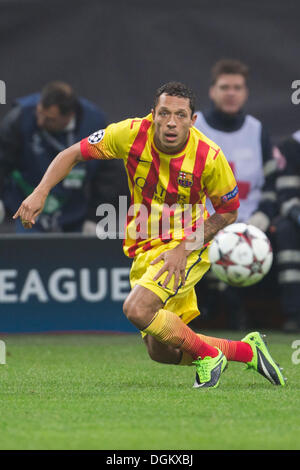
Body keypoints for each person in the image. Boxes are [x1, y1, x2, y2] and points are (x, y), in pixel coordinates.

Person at [13, 81, 286, 388]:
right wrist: (40, 192)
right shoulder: (129, 134)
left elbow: (228, 212)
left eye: (181, 115)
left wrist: (185, 247)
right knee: (162, 351)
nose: (172, 122)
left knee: (137, 308)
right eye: (165, 113)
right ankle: (247, 351)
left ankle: (210, 356)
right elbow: (72, 153)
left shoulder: (209, 156)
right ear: (153, 114)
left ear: (193, 121)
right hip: (145, 246)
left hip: (188, 246)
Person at [194, 59, 277, 329]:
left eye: (237, 87)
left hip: (251, 223)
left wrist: (265, 214)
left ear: (245, 93)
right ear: (212, 91)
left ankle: (272, 314)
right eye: (225, 87)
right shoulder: (196, 129)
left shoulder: (257, 130)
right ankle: (208, 308)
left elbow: (272, 181)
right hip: (203, 221)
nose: (231, 93)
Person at [0, 81, 127, 233]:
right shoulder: (20, 118)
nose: (40, 122)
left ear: (69, 116)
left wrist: (94, 218)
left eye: (50, 119)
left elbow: (108, 175)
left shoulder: (95, 124)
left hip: (74, 211)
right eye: (39, 113)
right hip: (25, 208)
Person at [261, 132, 300, 332]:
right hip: (296, 217)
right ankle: (295, 313)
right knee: (286, 229)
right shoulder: (292, 145)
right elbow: (286, 195)